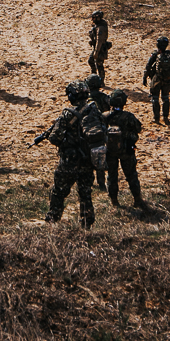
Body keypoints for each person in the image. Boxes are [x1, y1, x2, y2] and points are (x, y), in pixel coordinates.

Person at [32, 80, 110, 229]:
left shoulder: (68, 114)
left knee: (59, 191)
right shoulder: (95, 110)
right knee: (85, 192)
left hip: (70, 160)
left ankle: (53, 219)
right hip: (87, 159)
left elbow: (55, 138)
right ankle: (86, 222)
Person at [104, 90, 146, 210]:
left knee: (112, 176)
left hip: (110, 151)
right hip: (126, 151)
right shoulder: (128, 116)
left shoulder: (105, 116)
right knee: (131, 175)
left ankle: (114, 201)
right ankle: (137, 200)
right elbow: (138, 128)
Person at [143, 35, 170, 125]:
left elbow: (148, 66)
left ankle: (156, 118)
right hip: (167, 80)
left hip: (157, 79)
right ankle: (166, 118)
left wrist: (145, 77)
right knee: (165, 98)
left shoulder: (155, 54)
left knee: (155, 98)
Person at [87, 10, 111, 89]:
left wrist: (96, 52)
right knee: (91, 61)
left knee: (99, 65)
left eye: (94, 18)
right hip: (97, 48)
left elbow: (99, 41)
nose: (93, 20)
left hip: (100, 49)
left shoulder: (101, 28)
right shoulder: (98, 26)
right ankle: (94, 77)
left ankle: (101, 81)